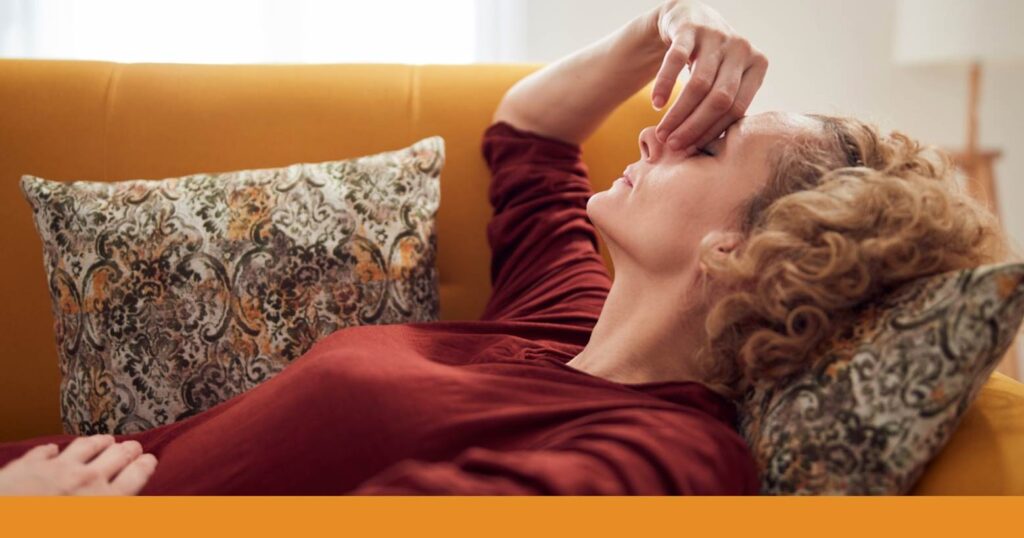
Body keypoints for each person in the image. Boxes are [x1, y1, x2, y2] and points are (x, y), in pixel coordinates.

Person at [0, 0, 1002, 495]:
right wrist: (661, 28)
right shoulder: (567, 322)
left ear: (752, 252)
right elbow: (529, 135)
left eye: (705, 141)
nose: (654, 131)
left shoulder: (664, 454)